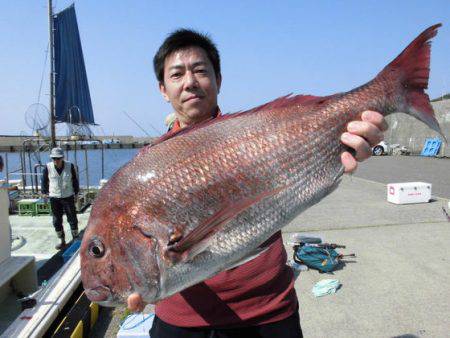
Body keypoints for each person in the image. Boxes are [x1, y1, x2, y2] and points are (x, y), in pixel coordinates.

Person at [127, 29, 388, 337]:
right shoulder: (146, 166)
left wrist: (343, 147)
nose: (190, 82)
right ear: (162, 88)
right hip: (181, 321)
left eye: (200, 71)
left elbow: (307, 166)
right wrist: (134, 281)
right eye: (177, 74)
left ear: (219, 80)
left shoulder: (255, 137)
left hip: (268, 310)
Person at [41, 147, 80, 249]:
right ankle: (62, 240)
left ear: (62, 158)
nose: (56, 161)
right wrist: (44, 193)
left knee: (72, 218)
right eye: (54, 158)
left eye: (58, 158)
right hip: (54, 197)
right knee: (56, 220)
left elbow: (75, 180)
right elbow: (44, 181)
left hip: (68, 196)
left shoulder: (70, 166)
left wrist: (76, 193)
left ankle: (75, 239)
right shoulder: (48, 167)